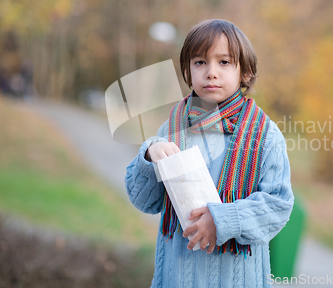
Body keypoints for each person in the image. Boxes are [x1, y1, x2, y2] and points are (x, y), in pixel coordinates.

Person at [125, 19, 294, 287]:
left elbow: (278, 206)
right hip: (176, 278)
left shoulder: (265, 135)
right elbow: (145, 201)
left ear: (246, 72)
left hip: (236, 279)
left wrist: (222, 221)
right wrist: (149, 157)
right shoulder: (172, 128)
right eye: (200, 62)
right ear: (187, 70)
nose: (211, 72)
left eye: (224, 62)